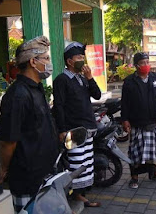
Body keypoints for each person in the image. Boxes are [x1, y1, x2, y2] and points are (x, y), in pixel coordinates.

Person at [0, 36, 58, 213]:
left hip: (45, 173)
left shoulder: (37, 89)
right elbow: (8, 141)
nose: (49, 63)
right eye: (46, 58)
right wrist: (4, 168)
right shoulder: (18, 95)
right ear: (33, 61)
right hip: (28, 178)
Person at [52, 41, 102, 208]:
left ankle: (80, 195)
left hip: (87, 128)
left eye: (83, 56)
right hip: (73, 130)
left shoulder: (82, 77)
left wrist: (90, 78)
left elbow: (97, 95)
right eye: (79, 57)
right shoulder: (62, 80)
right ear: (69, 61)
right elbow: (58, 106)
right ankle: (72, 197)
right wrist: (62, 130)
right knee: (76, 163)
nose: (82, 59)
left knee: (86, 163)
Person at [121, 52, 156, 189]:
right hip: (137, 123)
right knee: (136, 151)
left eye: (147, 62)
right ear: (136, 65)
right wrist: (124, 120)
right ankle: (134, 177)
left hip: (154, 122)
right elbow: (124, 103)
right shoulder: (129, 81)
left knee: (155, 149)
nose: (146, 65)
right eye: (143, 63)